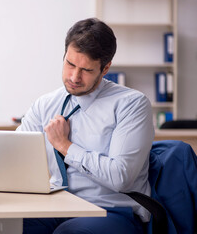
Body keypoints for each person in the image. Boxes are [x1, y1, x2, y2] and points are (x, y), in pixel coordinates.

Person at [17, 18, 155, 234]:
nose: (74, 77)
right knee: (7, 226)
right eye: (70, 64)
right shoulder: (45, 104)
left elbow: (121, 178)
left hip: (110, 211)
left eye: (86, 70)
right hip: (54, 207)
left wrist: (65, 146)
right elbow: (16, 157)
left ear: (105, 68)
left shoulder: (131, 104)